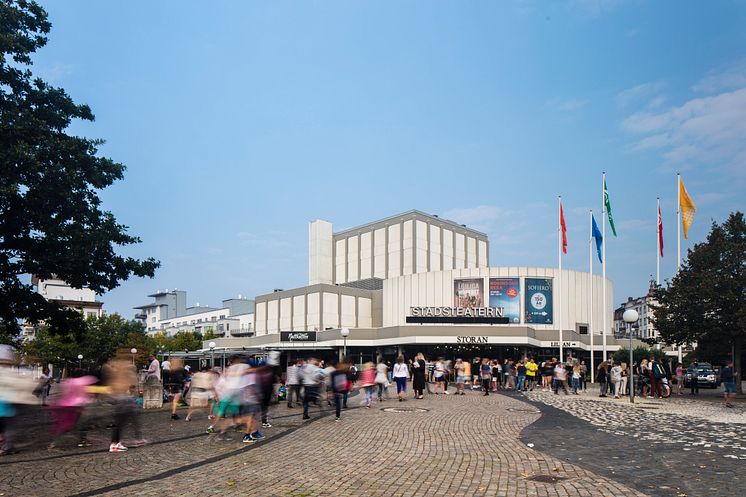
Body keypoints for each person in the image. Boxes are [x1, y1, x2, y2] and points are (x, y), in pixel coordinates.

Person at [103, 349, 145, 452]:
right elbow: (128, 383)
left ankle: (116, 443)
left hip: (119, 398)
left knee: (120, 423)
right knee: (121, 423)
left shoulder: (114, 366)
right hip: (123, 399)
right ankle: (115, 444)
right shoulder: (126, 368)